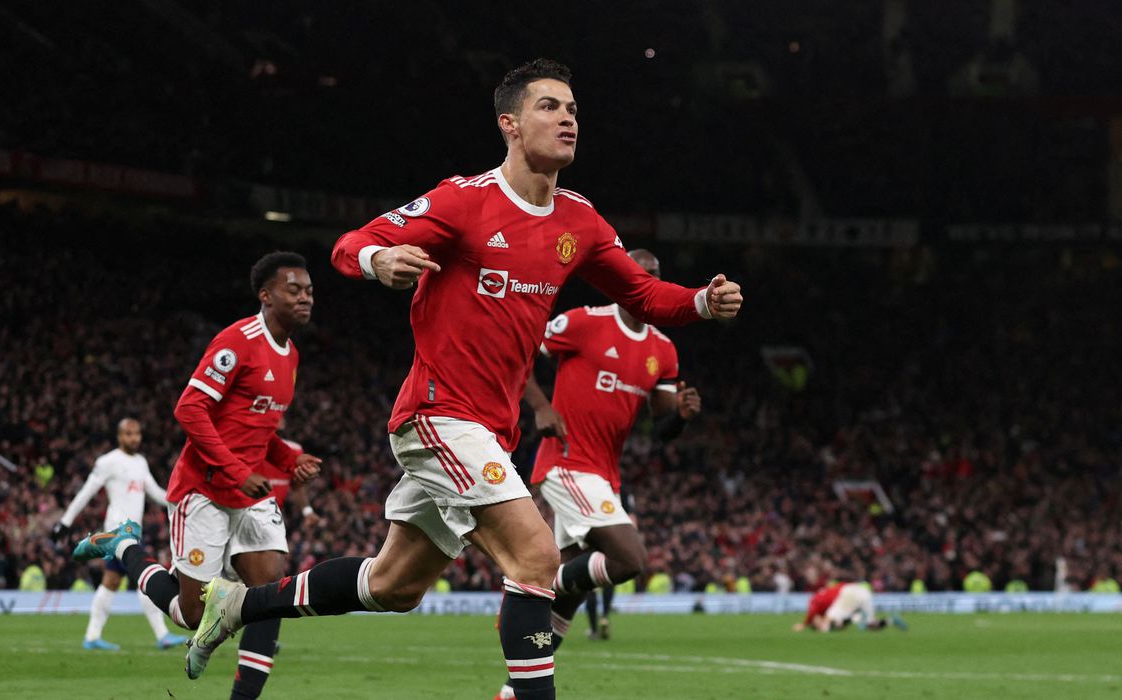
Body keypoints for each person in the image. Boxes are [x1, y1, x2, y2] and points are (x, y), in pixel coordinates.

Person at [176, 58, 743, 700]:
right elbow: (348, 244)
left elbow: (643, 294)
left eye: (573, 110)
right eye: (549, 106)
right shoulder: (464, 201)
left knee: (393, 586)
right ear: (509, 124)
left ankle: (237, 605)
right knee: (537, 556)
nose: (567, 119)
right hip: (438, 414)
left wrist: (702, 301)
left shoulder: (579, 220)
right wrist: (379, 258)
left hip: (490, 431)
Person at [73, 251, 322, 699]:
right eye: (294, 290)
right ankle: (123, 545)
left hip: (249, 494)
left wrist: (288, 461)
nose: (305, 297)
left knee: (270, 595)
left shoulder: (291, 356)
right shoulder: (238, 341)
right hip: (202, 490)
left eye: (308, 290)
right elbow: (189, 409)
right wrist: (236, 470)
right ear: (266, 296)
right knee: (190, 615)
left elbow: (258, 428)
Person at [496, 249, 702, 700]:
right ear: (621, 278)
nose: (647, 282)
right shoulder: (585, 322)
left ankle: (514, 691)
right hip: (567, 462)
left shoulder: (663, 351)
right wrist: (541, 407)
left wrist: (682, 418)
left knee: (573, 594)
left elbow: (663, 428)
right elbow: (520, 352)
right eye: (640, 274)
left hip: (605, 474)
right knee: (629, 559)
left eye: (655, 276)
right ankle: (538, 589)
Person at [53, 418, 188, 650]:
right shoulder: (108, 462)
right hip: (118, 532)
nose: (134, 438)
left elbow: (156, 493)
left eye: (137, 433)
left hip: (133, 533)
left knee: (111, 581)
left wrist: (182, 501)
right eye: (128, 434)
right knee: (145, 576)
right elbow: (87, 491)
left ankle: (92, 637)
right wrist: (65, 521)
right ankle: (162, 635)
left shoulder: (141, 462)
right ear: (119, 436)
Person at [791, 581, 907, 632]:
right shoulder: (829, 591)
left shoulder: (814, 601)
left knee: (826, 624)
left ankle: (856, 618)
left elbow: (812, 613)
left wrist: (804, 624)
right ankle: (890, 621)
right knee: (870, 624)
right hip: (862, 591)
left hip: (849, 592)